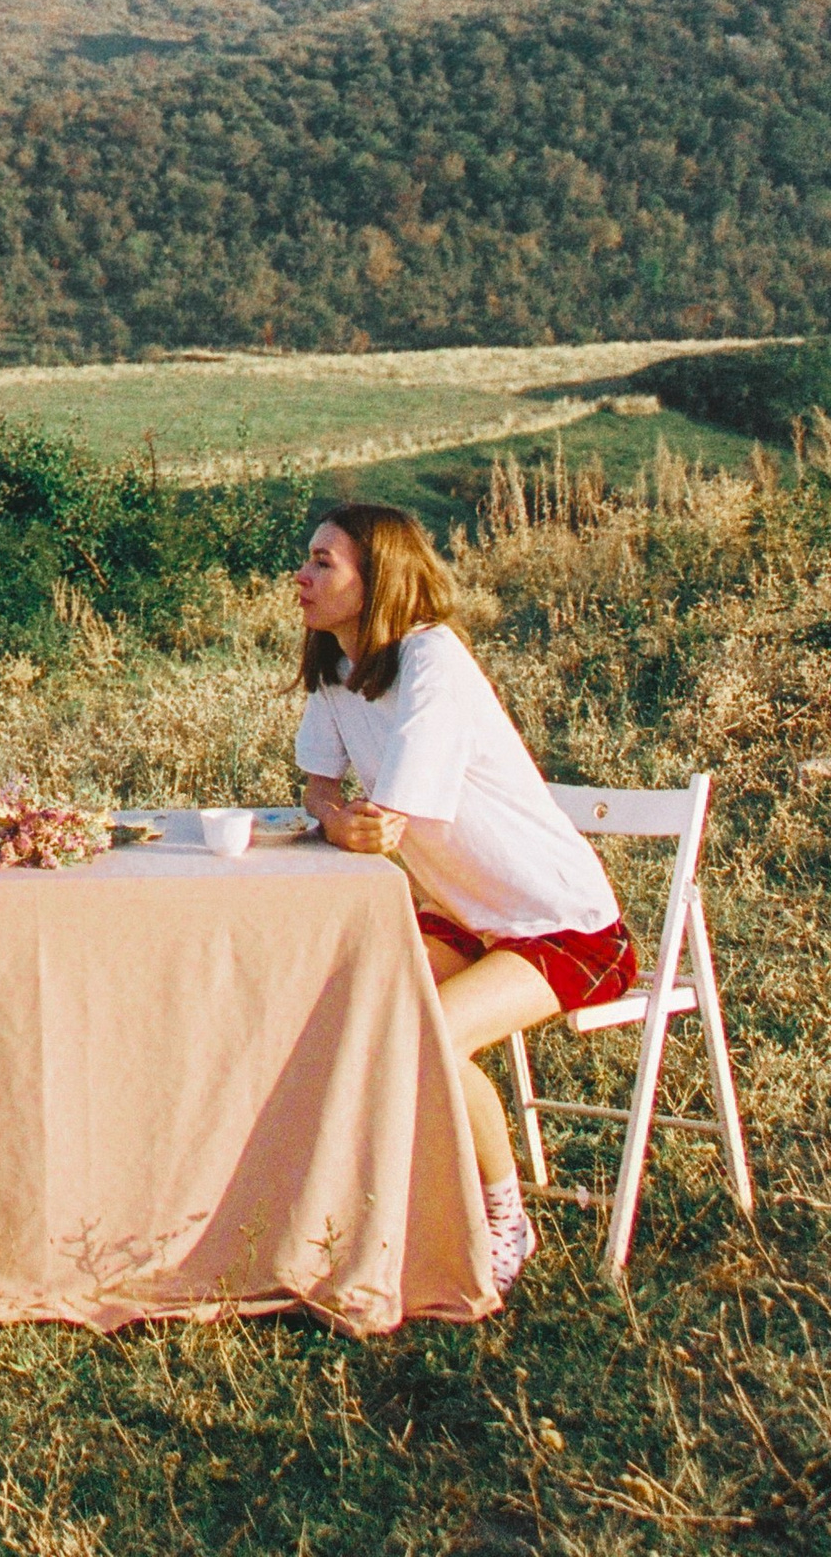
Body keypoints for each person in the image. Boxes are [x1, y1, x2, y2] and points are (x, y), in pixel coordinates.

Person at [293, 502, 639, 1299]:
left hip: (566, 927)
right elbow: (319, 790)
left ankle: (504, 1220)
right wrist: (334, 817)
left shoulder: (432, 660)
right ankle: (361, 1208)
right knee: (338, 1004)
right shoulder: (337, 671)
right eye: (308, 559)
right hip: (468, 920)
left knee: (427, 1037)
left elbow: (392, 819)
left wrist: (353, 823)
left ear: (377, 580)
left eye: (322, 563)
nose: (301, 576)